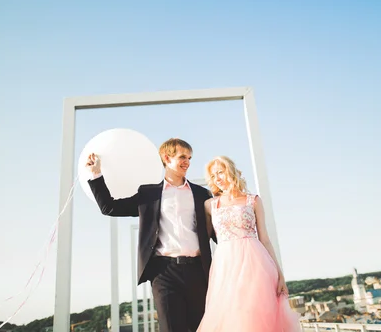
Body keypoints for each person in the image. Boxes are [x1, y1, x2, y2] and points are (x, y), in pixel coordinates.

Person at [86, 138, 213, 332]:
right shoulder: (149, 194)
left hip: (199, 271)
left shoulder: (202, 194)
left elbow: (217, 230)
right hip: (164, 273)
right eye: (182, 157)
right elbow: (109, 207)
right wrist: (96, 174)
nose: (187, 161)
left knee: (204, 328)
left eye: (189, 157)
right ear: (166, 157)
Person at [197, 156, 301, 332]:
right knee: (231, 313)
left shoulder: (253, 200)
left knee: (256, 312)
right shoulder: (210, 205)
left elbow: (265, 239)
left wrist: (280, 273)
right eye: (213, 176)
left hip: (256, 264)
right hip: (225, 266)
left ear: (230, 171)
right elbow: (203, 240)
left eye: (220, 172)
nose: (217, 179)